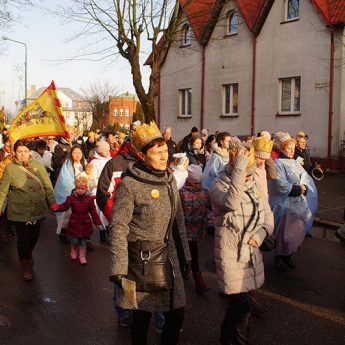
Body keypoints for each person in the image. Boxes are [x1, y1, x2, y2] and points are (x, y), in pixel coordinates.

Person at [109, 121, 191, 345]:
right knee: (141, 319)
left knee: (177, 315)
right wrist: (118, 268)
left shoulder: (170, 179)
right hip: (141, 262)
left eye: (165, 151)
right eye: (158, 153)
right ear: (142, 155)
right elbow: (118, 226)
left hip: (169, 259)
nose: (165, 157)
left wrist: (186, 256)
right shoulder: (130, 185)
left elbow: (178, 221)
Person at [210, 144, 273, 345]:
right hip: (231, 254)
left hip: (251, 253)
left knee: (241, 307)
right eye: (245, 174)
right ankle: (236, 340)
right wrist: (238, 171)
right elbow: (231, 203)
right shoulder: (218, 187)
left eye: (249, 174)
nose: (248, 179)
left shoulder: (254, 185)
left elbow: (268, 216)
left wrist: (261, 235)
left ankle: (226, 337)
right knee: (243, 304)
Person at [0, 139, 55, 281]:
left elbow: (48, 186)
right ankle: (25, 265)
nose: (23, 154)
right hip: (19, 212)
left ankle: (28, 254)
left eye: (25, 151)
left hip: (37, 210)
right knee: (23, 240)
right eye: (19, 152)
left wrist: (53, 204)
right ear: (15, 152)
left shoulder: (38, 165)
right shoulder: (10, 168)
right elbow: (3, 191)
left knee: (34, 237)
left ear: (29, 152)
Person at [268, 133, 318, 271]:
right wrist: (297, 189)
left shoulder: (294, 162)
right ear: (282, 148)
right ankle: (279, 256)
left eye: (293, 148)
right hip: (284, 204)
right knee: (282, 232)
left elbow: (305, 178)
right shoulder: (277, 163)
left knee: (294, 232)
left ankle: (288, 255)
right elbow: (279, 183)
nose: (291, 151)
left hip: (297, 203)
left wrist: (305, 187)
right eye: (289, 148)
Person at [50, 175, 102, 265]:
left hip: (85, 223)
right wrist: (57, 208)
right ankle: (73, 249)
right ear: (75, 188)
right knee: (74, 240)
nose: (80, 190)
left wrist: (97, 222)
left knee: (83, 242)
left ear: (86, 189)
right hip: (74, 223)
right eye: (78, 188)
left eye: (82, 188)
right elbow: (64, 206)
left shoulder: (89, 200)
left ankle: (82, 256)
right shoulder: (71, 198)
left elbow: (93, 212)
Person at [179, 164, 212, 293]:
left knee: (193, 254)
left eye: (199, 183)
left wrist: (210, 223)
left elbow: (209, 209)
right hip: (184, 230)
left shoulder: (205, 192)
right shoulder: (181, 193)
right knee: (186, 253)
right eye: (195, 184)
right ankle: (188, 274)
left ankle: (194, 275)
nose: (198, 186)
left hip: (197, 230)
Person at [54, 145, 86, 244]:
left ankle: (79, 235)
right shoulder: (67, 164)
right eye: (75, 153)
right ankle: (62, 232)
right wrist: (75, 188)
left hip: (82, 194)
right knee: (66, 214)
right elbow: (65, 179)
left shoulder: (84, 163)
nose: (77, 155)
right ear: (71, 154)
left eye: (79, 153)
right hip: (70, 193)